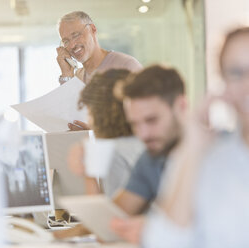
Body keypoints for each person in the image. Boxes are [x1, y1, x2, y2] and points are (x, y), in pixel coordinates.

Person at [132, 27, 249, 247]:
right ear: (223, 83)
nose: (247, 83)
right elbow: (164, 242)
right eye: (235, 72)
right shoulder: (209, 159)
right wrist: (191, 147)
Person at [109, 65, 188, 242]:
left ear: (181, 106)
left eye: (151, 120)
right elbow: (113, 218)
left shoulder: (221, 154)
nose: (142, 135)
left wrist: (157, 230)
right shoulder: (151, 158)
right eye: (135, 124)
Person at [56, 11, 142, 131]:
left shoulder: (126, 66)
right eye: (66, 41)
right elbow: (69, 117)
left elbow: (144, 119)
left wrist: (97, 132)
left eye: (76, 35)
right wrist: (66, 74)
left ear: (92, 29)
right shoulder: (77, 77)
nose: (72, 45)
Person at [69, 69, 144, 197]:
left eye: (89, 111)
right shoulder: (141, 144)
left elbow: (110, 216)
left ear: (99, 114)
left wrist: (88, 172)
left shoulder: (115, 153)